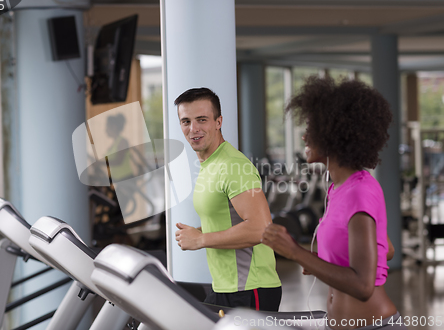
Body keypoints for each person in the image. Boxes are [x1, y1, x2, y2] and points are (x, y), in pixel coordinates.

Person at [262, 76, 406, 329]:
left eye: (312, 129)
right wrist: (319, 261)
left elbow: (363, 286)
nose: (305, 137)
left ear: (334, 133)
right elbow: (386, 249)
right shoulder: (337, 188)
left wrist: (296, 253)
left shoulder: (359, 192)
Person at [174, 87, 282, 311]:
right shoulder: (209, 164)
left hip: (251, 288)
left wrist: (201, 240)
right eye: (186, 121)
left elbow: (260, 229)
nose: (193, 129)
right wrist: (201, 230)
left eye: (201, 119)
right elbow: (229, 217)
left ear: (218, 121)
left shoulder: (233, 165)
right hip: (225, 287)